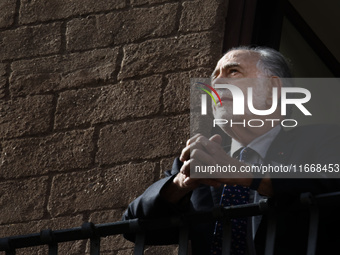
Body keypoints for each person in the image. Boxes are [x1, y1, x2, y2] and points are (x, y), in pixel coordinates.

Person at [122, 46, 340, 255]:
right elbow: (134, 226)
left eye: (233, 71)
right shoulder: (200, 160)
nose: (215, 82)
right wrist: (180, 184)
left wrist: (247, 175)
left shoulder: (323, 139)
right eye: (214, 75)